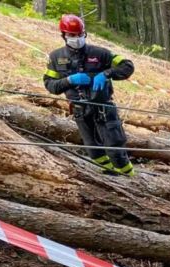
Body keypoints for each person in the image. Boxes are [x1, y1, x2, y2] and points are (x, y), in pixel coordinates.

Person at [44, 14, 135, 176]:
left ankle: (131, 179)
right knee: (94, 152)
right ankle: (111, 177)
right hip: (80, 111)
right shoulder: (56, 58)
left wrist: (107, 73)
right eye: (72, 35)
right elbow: (50, 85)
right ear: (64, 35)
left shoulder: (101, 54)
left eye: (80, 35)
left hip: (103, 109)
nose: (77, 38)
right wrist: (69, 80)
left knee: (115, 150)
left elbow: (127, 66)